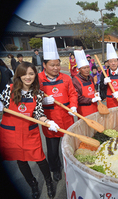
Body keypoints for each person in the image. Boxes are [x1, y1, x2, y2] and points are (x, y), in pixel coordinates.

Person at [0, 62, 59, 199]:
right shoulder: (9, 89)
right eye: (24, 74)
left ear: (35, 75)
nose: (28, 77)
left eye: (31, 74)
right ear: (18, 75)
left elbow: (38, 114)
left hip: (29, 132)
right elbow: (2, 104)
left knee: (40, 158)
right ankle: (33, 184)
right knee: (21, 160)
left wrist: (48, 121)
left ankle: (48, 182)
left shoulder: (37, 94)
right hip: (12, 133)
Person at [39, 37, 78, 182]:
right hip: (50, 119)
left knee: (68, 145)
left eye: (57, 64)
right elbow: (33, 100)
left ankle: (71, 166)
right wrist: (42, 100)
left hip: (66, 117)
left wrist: (73, 105)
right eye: (52, 65)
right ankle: (55, 168)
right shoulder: (38, 79)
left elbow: (73, 93)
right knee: (53, 149)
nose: (56, 68)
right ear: (44, 65)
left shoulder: (66, 78)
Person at [100, 43, 118, 108]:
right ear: (107, 63)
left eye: (115, 61)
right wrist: (104, 83)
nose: (113, 63)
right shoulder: (104, 73)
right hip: (110, 102)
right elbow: (101, 88)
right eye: (111, 61)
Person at [73, 50, 100, 116]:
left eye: (88, 67)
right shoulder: (75, 80)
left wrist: (97, 94)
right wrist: (91, 100)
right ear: (79, 70)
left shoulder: (90, 77)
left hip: (95, 107)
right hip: (84, 110)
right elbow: (77, 97)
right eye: (84, 68)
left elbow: (94, 89)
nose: (87, 70)